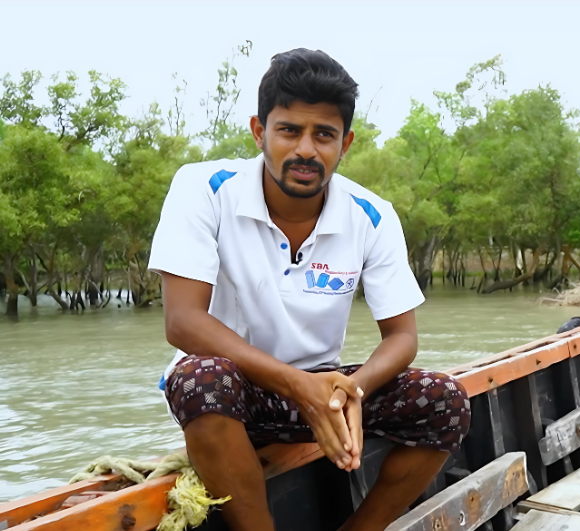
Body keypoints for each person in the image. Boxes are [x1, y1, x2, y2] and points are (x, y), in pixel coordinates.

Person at [148, 48, 471, 531]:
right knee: (201, 378)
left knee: (446, 401)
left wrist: (351, 390)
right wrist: (299, 386)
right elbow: (184, 322)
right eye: (289, 130)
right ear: (260, 132)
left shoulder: (372, 215)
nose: (306, 149)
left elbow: (402, 337)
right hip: (234, 393)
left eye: (324, 134)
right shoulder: (203, 189)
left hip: (326, 392)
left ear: (346, 143)